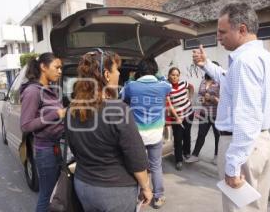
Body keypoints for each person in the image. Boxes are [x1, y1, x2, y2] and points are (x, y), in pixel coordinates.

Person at [193, 2, 270, 212]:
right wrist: (206, 64)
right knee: (256, 208)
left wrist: (233, 165)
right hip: (260, 142)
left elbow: (247, 115)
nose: (218, 37)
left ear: (241, 29)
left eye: (222, 32)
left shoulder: (244, 62)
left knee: (240, 209)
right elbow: (228, 80)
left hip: (241, 144)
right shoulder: (265, 58)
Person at [66, 51, 153, 212]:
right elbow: (136, 156)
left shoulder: (72, 110)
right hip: (115, 192)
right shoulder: (118, 110)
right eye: (117, 69)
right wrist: (146, 187)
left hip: (83, 186)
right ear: (107, 74)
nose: (119, 73)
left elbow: (74, 148)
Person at [122, 57, 171, 209]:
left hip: (137, 135)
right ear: (155, 70)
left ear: (139, 71)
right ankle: (159, 196)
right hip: (156, 133)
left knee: (137, 165)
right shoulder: (163, 86)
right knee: (156, 166)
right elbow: (166, 81)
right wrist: (159, 73)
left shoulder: (132, 86)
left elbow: (123, 96)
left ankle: (139, 195)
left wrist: (130, 77)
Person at [20, 52, 66, 212]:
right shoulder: (33, 91)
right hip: (45, 151)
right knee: (47, 195)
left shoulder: (49, 89)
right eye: (57, 67)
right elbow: (26, 125)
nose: (60, 71)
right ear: (43, 67)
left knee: (55, 194)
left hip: (55, 147)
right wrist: (56, 114)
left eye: (61, 68)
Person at [188, 69, 220, 164]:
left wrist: (211, 98)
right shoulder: (203, 81)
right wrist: (198, 109)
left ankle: (217, 156)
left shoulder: (220, 82)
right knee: (201, 134)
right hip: (204, 113)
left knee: (217, 136)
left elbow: (223, 100)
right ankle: (195, 155)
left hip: (217, 115)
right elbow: (199, 97)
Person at [167, 67, 195, 170]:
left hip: (189, 113)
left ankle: (187, 152)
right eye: (173, 75)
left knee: (187, 134)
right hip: (176, 118)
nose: (175, 77)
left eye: (177, 75)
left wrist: (190, 98)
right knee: (178, 139)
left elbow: (191, 87)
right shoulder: (167, 87)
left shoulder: (183, 83)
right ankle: (178, 160)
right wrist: (177, 117)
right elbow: (169, 105)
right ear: (169, 75)